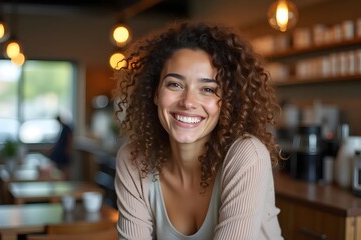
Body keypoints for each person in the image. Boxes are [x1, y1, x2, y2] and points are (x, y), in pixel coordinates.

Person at [113, 21, 283, 239]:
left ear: (228, 101)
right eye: (175, 84)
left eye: (208, 89)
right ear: (155, 93)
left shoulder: (247, 155)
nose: (188, 102)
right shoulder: (134, 160)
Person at [49, 115, 73, 179]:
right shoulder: (62, 128)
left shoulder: (66, 127)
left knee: (65, 168)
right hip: (60, 151)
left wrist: (68, 149)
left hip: (64, 152)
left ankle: (66, 180)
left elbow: (69, 139)